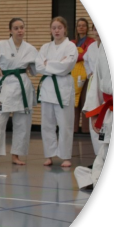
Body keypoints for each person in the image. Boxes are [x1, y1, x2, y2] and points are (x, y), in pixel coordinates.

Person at [0, 17, 38, 166]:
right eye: (16, 28)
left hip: (23, 85)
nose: (20, 31)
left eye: (22, 27)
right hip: (6, 84)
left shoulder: (30, 48)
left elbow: (36, 69)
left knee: (22, 123)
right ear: (10, 30)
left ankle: (16, 156)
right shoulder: (1, 45)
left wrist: (31, 67)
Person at [35, 16, 78, 167]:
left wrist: (48, 63)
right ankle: (49, 155)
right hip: (47, 88)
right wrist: (56, 64)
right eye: (54, 28)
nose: (57, 30)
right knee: (47, 124)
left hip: (63, 87)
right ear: (50, 30)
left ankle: (66, 156)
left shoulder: (70, 46)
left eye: (59, 27)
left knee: (65, 124)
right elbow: (38, 66)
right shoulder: (45, 47)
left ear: (65, 29)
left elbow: (66, 66)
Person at [74, 30, 112, 190]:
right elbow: (96, 78)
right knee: (105, 150)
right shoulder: (102, 48)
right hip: (111, 109)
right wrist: (94, 112)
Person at [71, 18, 95, 134]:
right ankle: (74, 129)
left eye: (83, 25)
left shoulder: (91, 42)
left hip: (87, 75)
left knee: (85, 101)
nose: (81, 27)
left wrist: (76, 57)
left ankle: (86, 130)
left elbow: (85, 56)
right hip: (74, 75)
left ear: (87, 28)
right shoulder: (72, 42)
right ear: (76, 28)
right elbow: (70, 56)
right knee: (74, 102)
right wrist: (77, 57)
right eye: (79, 25)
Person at [83, 24, 101, 157]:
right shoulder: (91, 47)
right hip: (94, 83)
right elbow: (85, 61)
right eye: (95, 29)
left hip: (106, 86)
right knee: (93, 117)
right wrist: (90, 73)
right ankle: (98, 156)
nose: (97, 32)